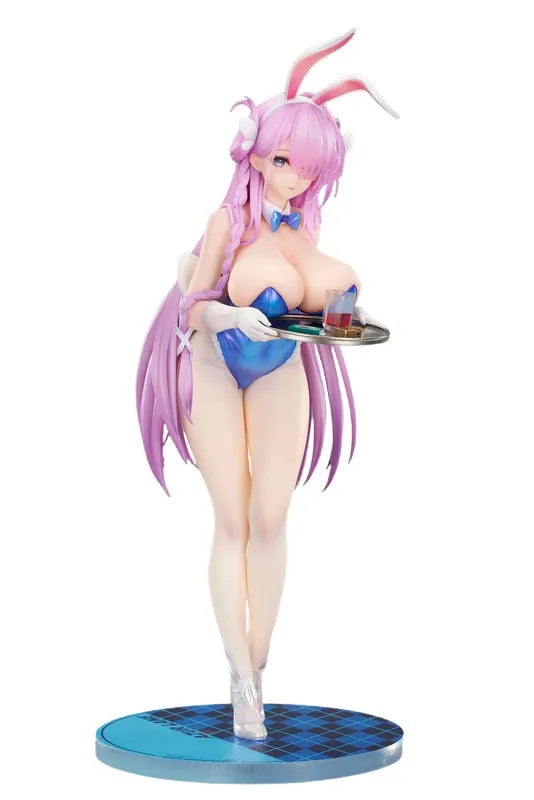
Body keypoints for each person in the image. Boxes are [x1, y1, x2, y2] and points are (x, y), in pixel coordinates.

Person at [136, 27, 398, 740]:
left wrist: (347, 313)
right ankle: (239, 678)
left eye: (309, 168)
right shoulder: (227, 221)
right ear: (254, 152)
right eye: (286, 160)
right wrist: (229, 313)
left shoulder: (303, 231)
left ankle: (258, 662)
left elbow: (318, 303)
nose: (296, 178)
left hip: (281, 367)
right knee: (231, 518)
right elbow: (192, 306)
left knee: (273, 518)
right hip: (213, 364)